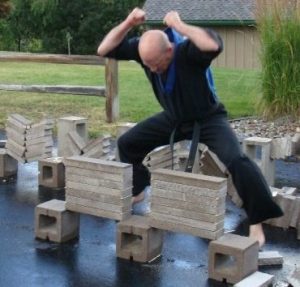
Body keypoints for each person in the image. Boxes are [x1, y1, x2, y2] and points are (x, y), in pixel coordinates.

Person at [97, 7, 283, 247]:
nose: (152, 70)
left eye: (157, 64)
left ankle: (257, 223)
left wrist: (179, 25)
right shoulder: (144, 49)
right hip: (174, 117)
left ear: (170, 51)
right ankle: (139, 187)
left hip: (208, 119)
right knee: (127, 143)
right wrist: (128, 22)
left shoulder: (187, 52)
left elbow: (213, 44)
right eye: (147, 65)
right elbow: (104, 49)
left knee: (236, 160)